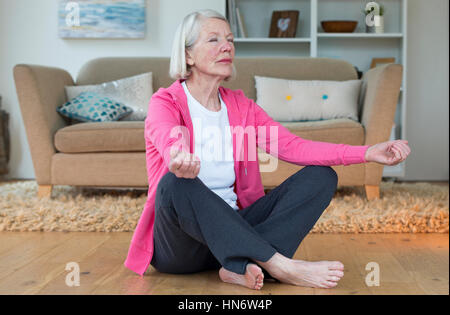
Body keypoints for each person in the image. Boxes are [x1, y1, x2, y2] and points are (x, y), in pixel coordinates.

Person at [124, 9, 411, 290]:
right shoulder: (166, 102)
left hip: (236, 231)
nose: (226, 47)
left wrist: (366, 152)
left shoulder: (241, 107)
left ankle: (238, 268)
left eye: (230, 40)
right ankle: (277, 264)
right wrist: (178, 155)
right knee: (174, 184)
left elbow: (295, 146)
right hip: (181, 249)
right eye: (213, 40)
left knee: (321, 177)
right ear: (187, 54)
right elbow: (167, 135)